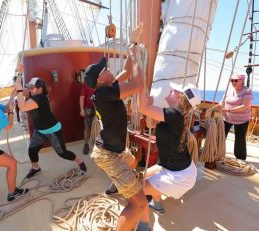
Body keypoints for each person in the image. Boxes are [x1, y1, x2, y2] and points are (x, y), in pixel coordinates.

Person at [84, 24, 148, 231]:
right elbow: (138, 83)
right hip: (108, 154)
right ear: (99, 79)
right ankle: (120, 182)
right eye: (104, 69)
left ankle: (118, 181)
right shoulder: (104, 93)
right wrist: (133, 53)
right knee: (138, 203)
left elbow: (127, 70)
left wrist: (134, 43)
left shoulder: (106, 89)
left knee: (132, 160)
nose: (108, 68)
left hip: (113, 150)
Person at [137, 82, 201, 231]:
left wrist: (139, 85)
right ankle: (157, 205)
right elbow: (151, 124)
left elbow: (142, 108)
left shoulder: (175, 115)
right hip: (174, 168)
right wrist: (150, 106)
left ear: (179, 98)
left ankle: (144, 226)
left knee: (137, 191)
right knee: (142, 177)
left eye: (175, 90)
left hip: (178, 176)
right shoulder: (174, 114)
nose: (171, 89)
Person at [14, 77, 87, 179]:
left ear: (39, 89)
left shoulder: (40, 98)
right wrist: (18, 78)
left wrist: (19, 90)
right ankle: (35, 168)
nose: (29, 90)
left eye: (31, 88)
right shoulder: (34, 94)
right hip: (40, 130)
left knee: (63, 153)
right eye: (29, 87)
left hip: (53, 130)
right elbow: (22, 91)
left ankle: (80, 161)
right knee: (32, 150)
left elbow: (22, 107)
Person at [219, 74, 253, 160]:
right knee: (221, 136)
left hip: (242, 120)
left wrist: (228, 110)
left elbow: (245, 106)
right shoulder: (229, 90)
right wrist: (217, 106)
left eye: (236, 80)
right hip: (227, 118)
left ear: (242, 81)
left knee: (240, 139)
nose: (233, 82)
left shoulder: (247, 91)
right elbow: (222, 101)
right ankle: (218, 153)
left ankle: (240, 159)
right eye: (232, 80)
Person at [79, 82, 95, 154]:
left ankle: (97, 145)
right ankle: (86, 144)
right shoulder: (86, 83)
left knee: (99, 127)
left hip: (99, 107)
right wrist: (82, 110)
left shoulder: (102, 81)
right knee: (87, 127)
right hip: (89, 108)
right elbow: (82, 97)